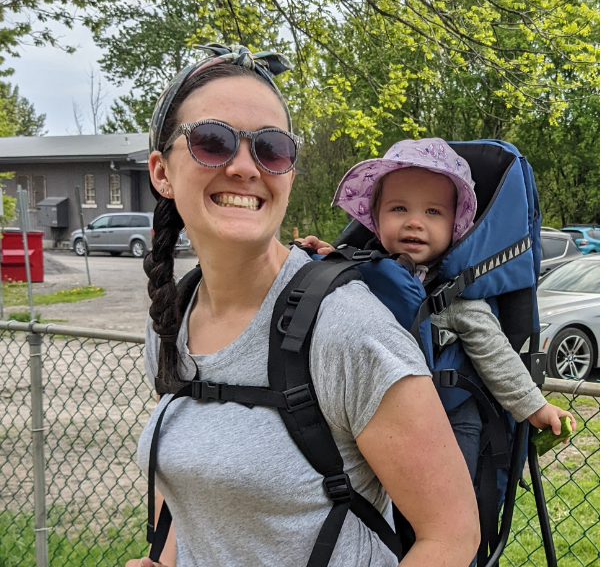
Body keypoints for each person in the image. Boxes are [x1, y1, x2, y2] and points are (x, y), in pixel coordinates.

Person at [125, 47, 479, 567]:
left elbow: (450, 537)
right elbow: (188, 479)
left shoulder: (346, 328)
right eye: (211, 142)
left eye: (270, 148)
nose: (245, 168)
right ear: (161, 172)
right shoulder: (170, 319)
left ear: (288, 172)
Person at [298, 137, 577, 480]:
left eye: (433, 212)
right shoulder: (361, 272)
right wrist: (330, 255)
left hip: (448, 419)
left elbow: (495, 352)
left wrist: (534, 406)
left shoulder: (455, 296)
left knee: (451, 493)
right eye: (399, 209)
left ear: (455, 227)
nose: (415, 222)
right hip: (368, 413)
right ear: (375, 218)